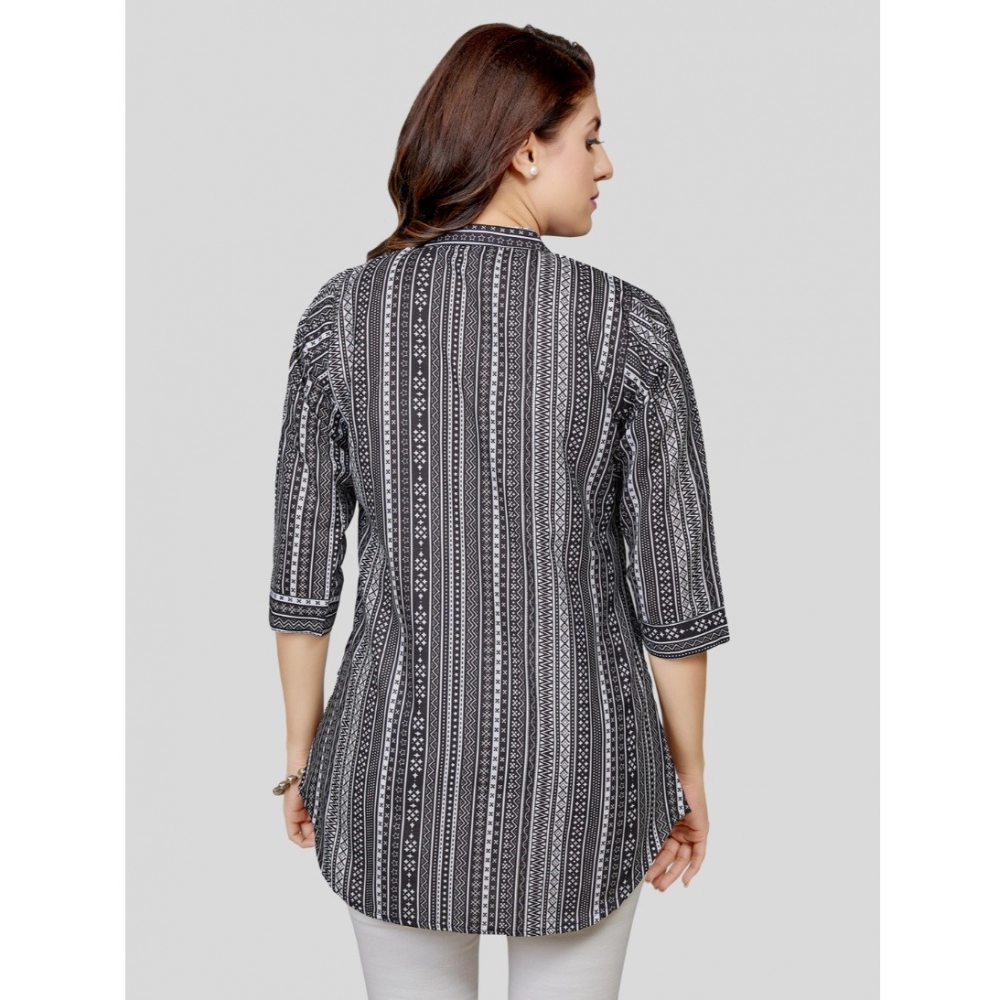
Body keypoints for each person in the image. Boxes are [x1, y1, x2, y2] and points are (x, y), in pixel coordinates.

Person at [268, 22, 731, 1000]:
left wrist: (303, 756)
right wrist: (689, 775)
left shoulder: (337, 319)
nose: (606, 164)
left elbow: (302, 582)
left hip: (391, 775)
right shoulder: (629, 329)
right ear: (524, 150)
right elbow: (676, 597)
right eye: (590, 137)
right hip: (585, 783)